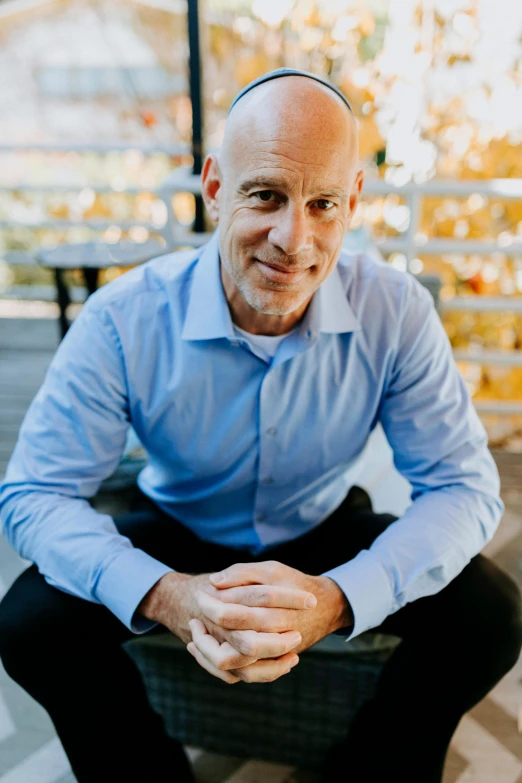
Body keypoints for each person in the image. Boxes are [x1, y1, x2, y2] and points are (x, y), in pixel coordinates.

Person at [0, 68, 521, 783]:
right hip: (181, 523)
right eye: (267, 195)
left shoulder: (395, 312)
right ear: (215, 187)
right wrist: (166, 593)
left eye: (323, 203)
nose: (293, 238)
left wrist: (338, 598)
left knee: (491, 614)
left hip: (320, 524)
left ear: (354, 202)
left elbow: (465, 488)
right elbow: (33, 493)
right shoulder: (123, 318)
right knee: (28, 621)